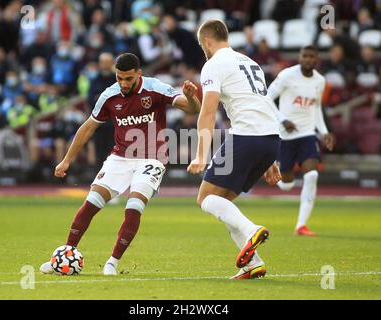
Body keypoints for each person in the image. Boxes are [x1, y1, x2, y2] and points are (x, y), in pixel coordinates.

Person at [40, 53, 201, 275]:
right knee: (91, 203)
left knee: (133, 207)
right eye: (119, 78)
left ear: (138, 74)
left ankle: (112, 263)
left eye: (128, 79)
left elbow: (193, 109)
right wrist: (67, 159)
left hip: (152, 157)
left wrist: (191, 97)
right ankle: (65, 255)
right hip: (120, 157)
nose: (124, 84)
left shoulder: (155, 88)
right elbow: (88, 127)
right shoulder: (109, 95)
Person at [187, 20, 282, 280]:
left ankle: (252, 230)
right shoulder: (250, 62)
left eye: (201, 45)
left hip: (246, 136)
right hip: (270, 138)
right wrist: (269, 160)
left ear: (207, 41)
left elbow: (207, 113)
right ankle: (253, 264)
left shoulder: (213, 64)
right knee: (223, 202)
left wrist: (200, 155)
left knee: (205, 198)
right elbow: (262, 105)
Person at [267, 45, 335, 237]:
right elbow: (267, 98)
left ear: (317, 59)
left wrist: (323, 132)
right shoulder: (287, 75)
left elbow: (316, 108)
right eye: (304, 56)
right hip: (285, 135)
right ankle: (278, 174)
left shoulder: (319, 81)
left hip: (306, 134)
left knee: (312, 175)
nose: (307, 59)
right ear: (300, 57)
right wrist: (282, 120)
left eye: (311, 56)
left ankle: (301, 225)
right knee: (287, 184)